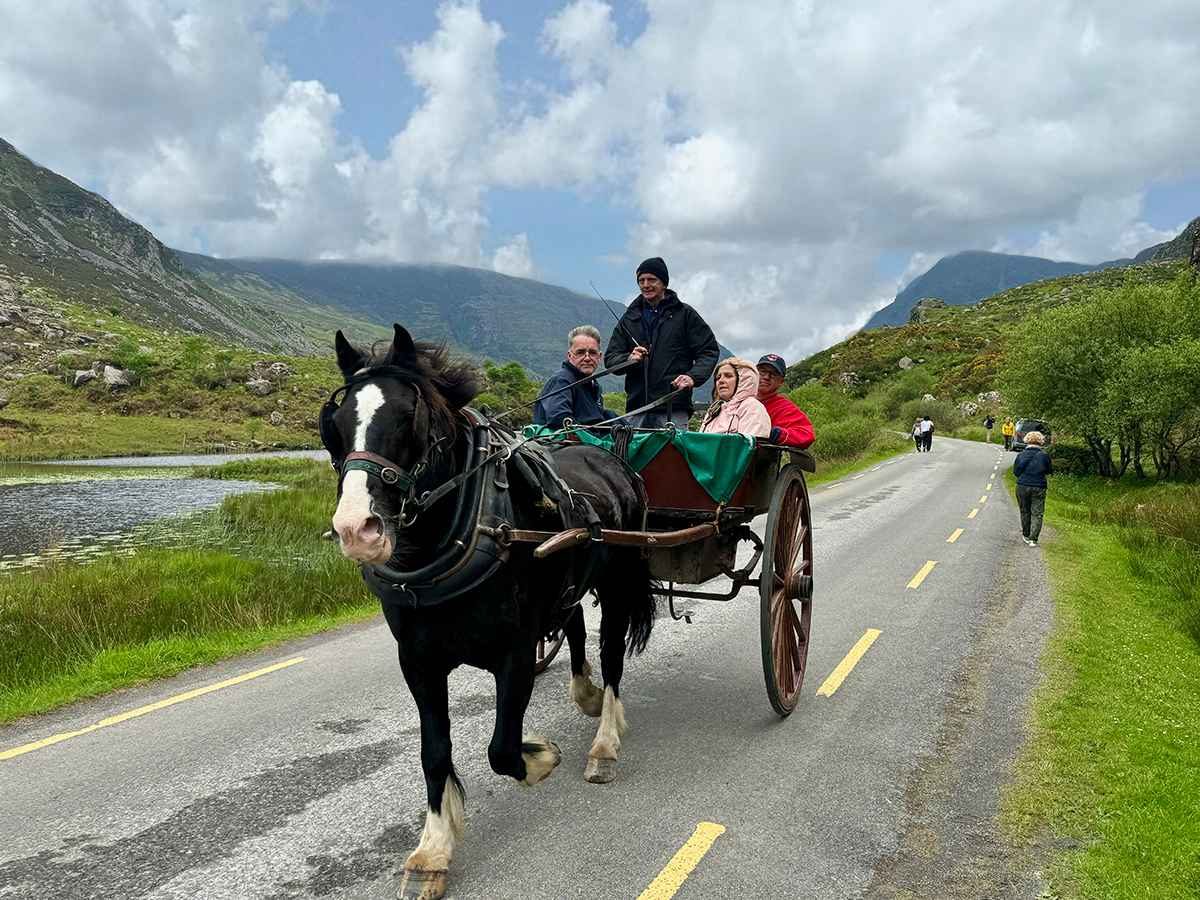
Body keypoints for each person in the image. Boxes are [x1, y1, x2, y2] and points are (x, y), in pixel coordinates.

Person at [604, 257, 719, 429]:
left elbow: (709, 351)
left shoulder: (685, 314)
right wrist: (630, 358)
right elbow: (610, 359)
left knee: (673, 455)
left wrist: (692, 377)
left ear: (664, 283)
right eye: (641, 280)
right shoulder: (629, 318)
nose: (646, 285)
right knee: (632, 456)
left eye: (652, 280)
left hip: (674, 406)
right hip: (637, 408)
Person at [533, 325, 615, 429]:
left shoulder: (593, 385)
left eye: (592, 353)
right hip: (557, 443)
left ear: (599, 356)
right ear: (570, 355)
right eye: (580, 352)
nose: (587, 358)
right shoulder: (561, 380)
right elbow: (559, 419)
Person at [699, 358, 772, 437]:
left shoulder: (752, 407)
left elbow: (749, 445)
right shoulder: (714, 409)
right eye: (718, 377)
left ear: (743, 379)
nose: (721, 380)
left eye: (728, 376)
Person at [755, 353, 815, 448]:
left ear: (781, 382)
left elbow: (806, 434)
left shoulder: (784, 407)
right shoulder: (739, 399)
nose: (766, 377)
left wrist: (778, 434)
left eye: (773, 374)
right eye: (762, 371)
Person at [1013, 431, 1052, 546]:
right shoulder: (1044, 456)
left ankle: (1026, 534)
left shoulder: (1021, 455)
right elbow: (1049, 471)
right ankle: (1033, 539)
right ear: (1040, 441)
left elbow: (1016, 472)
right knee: (1037, 513)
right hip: (1039, 486)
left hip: (1022, 485)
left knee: (1025, 511)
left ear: (1027, 440)